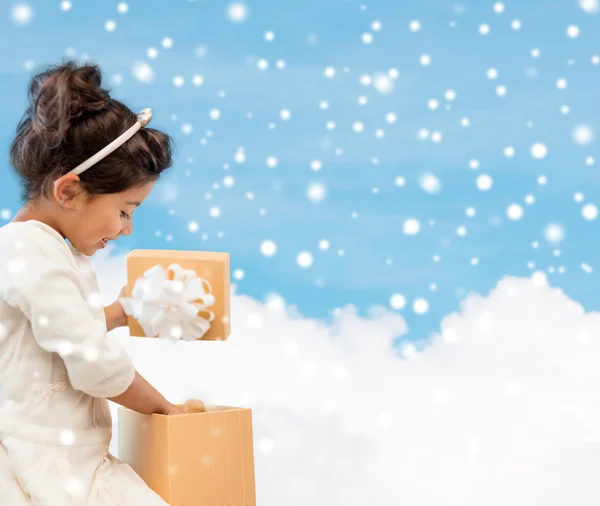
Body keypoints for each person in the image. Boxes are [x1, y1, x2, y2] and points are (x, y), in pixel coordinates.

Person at [0, 60, 183, 504]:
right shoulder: (30, 250)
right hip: (44, 464)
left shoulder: (41, 248)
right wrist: (167, 410)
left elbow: (54, 337)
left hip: (67, 455)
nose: (127, 229)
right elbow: (93, 364)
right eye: (125, 210)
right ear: (68, 192)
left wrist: (117, 315)